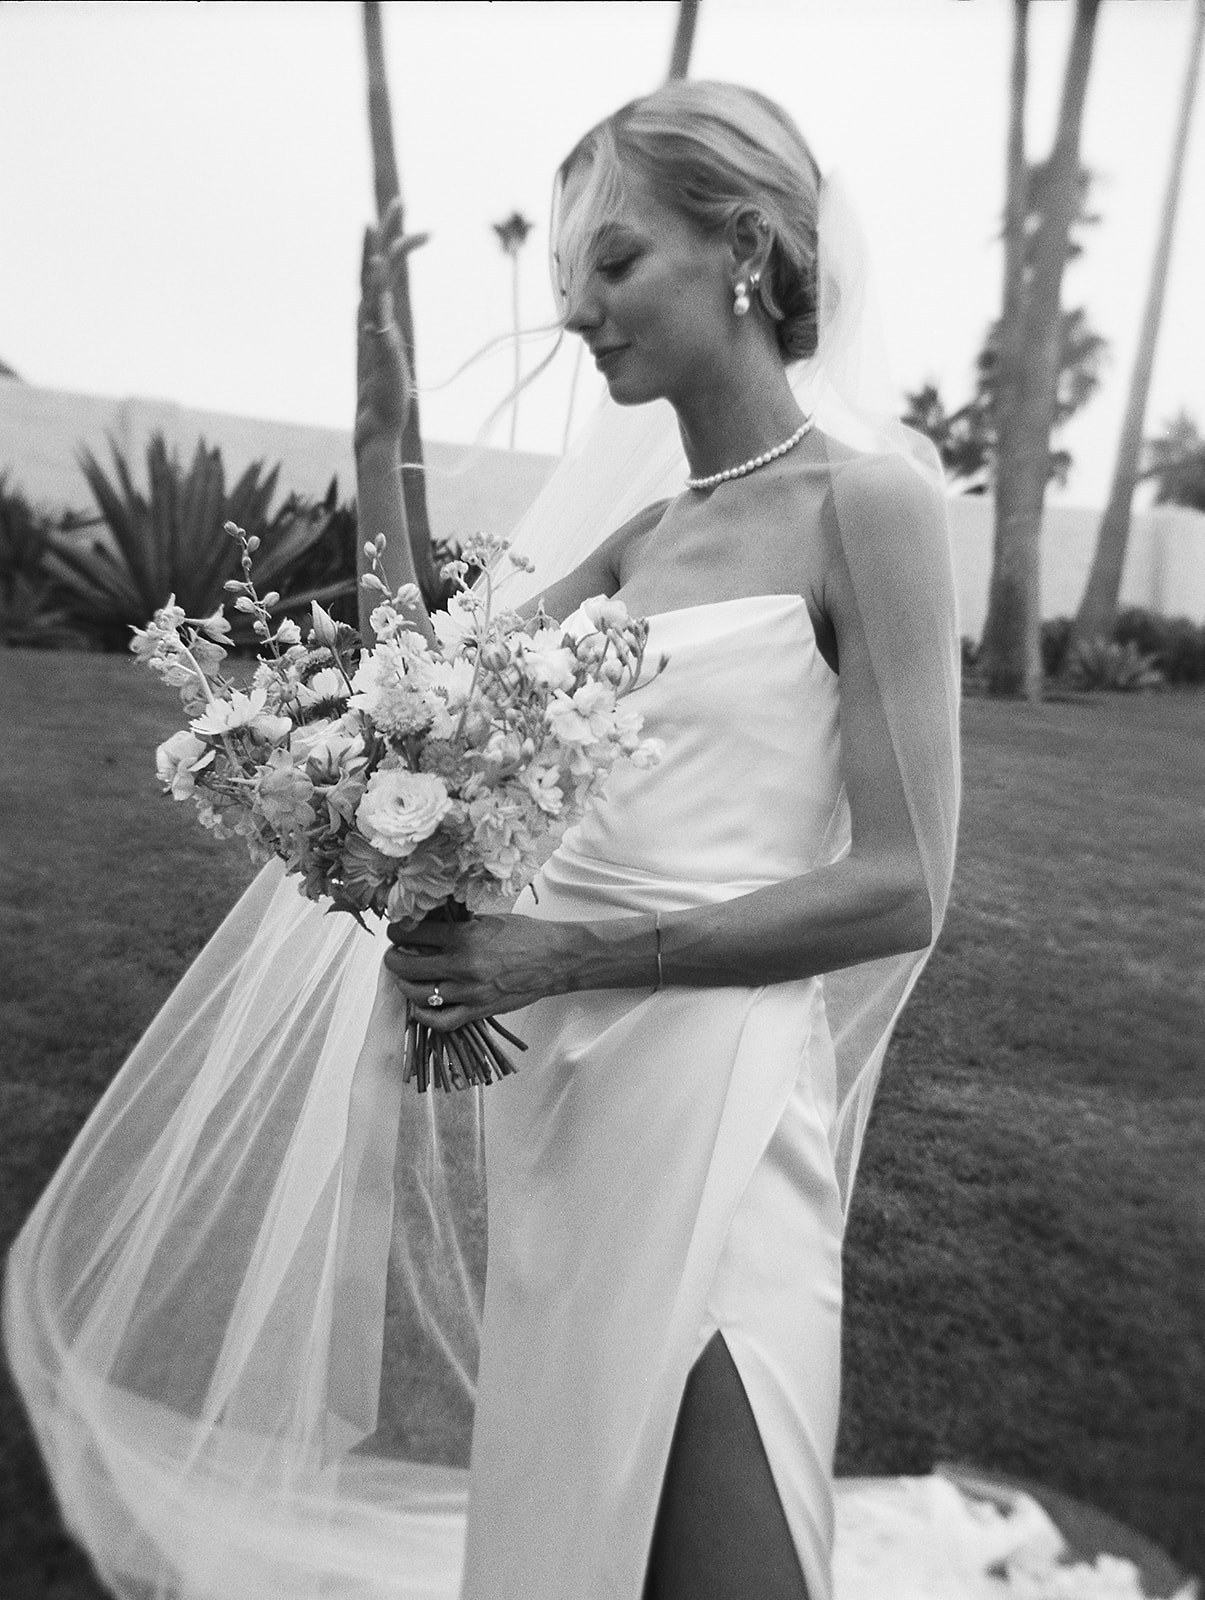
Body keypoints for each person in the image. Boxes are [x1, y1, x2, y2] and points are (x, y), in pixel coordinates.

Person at [3, 80, 959, 1600]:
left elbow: (904, 889)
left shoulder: (872, 506)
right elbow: (424, 700)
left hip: (714, 1096)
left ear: (747, 248)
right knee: (569, 1521)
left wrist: (561, 948)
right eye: (566, 273)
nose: (577, 307)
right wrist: (385, 440)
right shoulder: (644, 540)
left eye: (616, 262)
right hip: (564, 1101)